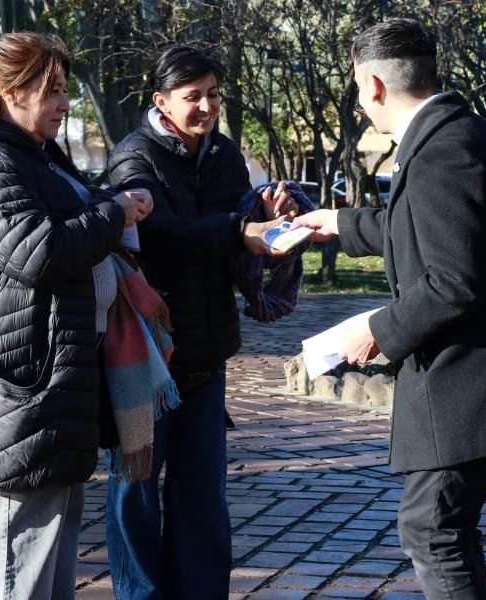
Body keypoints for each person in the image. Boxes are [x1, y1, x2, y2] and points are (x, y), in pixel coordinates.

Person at [292, 18, 486, 600]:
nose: (360, 101)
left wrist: (375, 331)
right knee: (439, 526)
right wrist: (340, 223)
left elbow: (454, 282)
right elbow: (422, 225)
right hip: (477, 377)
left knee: (432, 530)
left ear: (374, 84)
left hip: (475, 382)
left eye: (357, 88)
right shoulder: (454, 131)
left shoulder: (443, 149)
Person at [0, 32, 153, 599]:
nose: (64, 103)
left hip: (51, 389)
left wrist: (112, 210)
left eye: (65, 90)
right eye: (53, 90)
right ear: (10, 91)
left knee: (48, 576)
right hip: (19, 397)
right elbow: (37, 252)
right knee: (16, 578)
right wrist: (114, 213)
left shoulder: (33, 157)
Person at [105, 46, 296, 599]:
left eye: (214, 94)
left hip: (208, 354)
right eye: (193, 97)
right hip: (144, 358)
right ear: (161, 101)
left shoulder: (225, 153)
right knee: (135, 494)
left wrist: (267, 218)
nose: (207, 107)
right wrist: (239, 231)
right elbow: (159, 237)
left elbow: (241, 225)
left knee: (203, 496)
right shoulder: (134, 157)